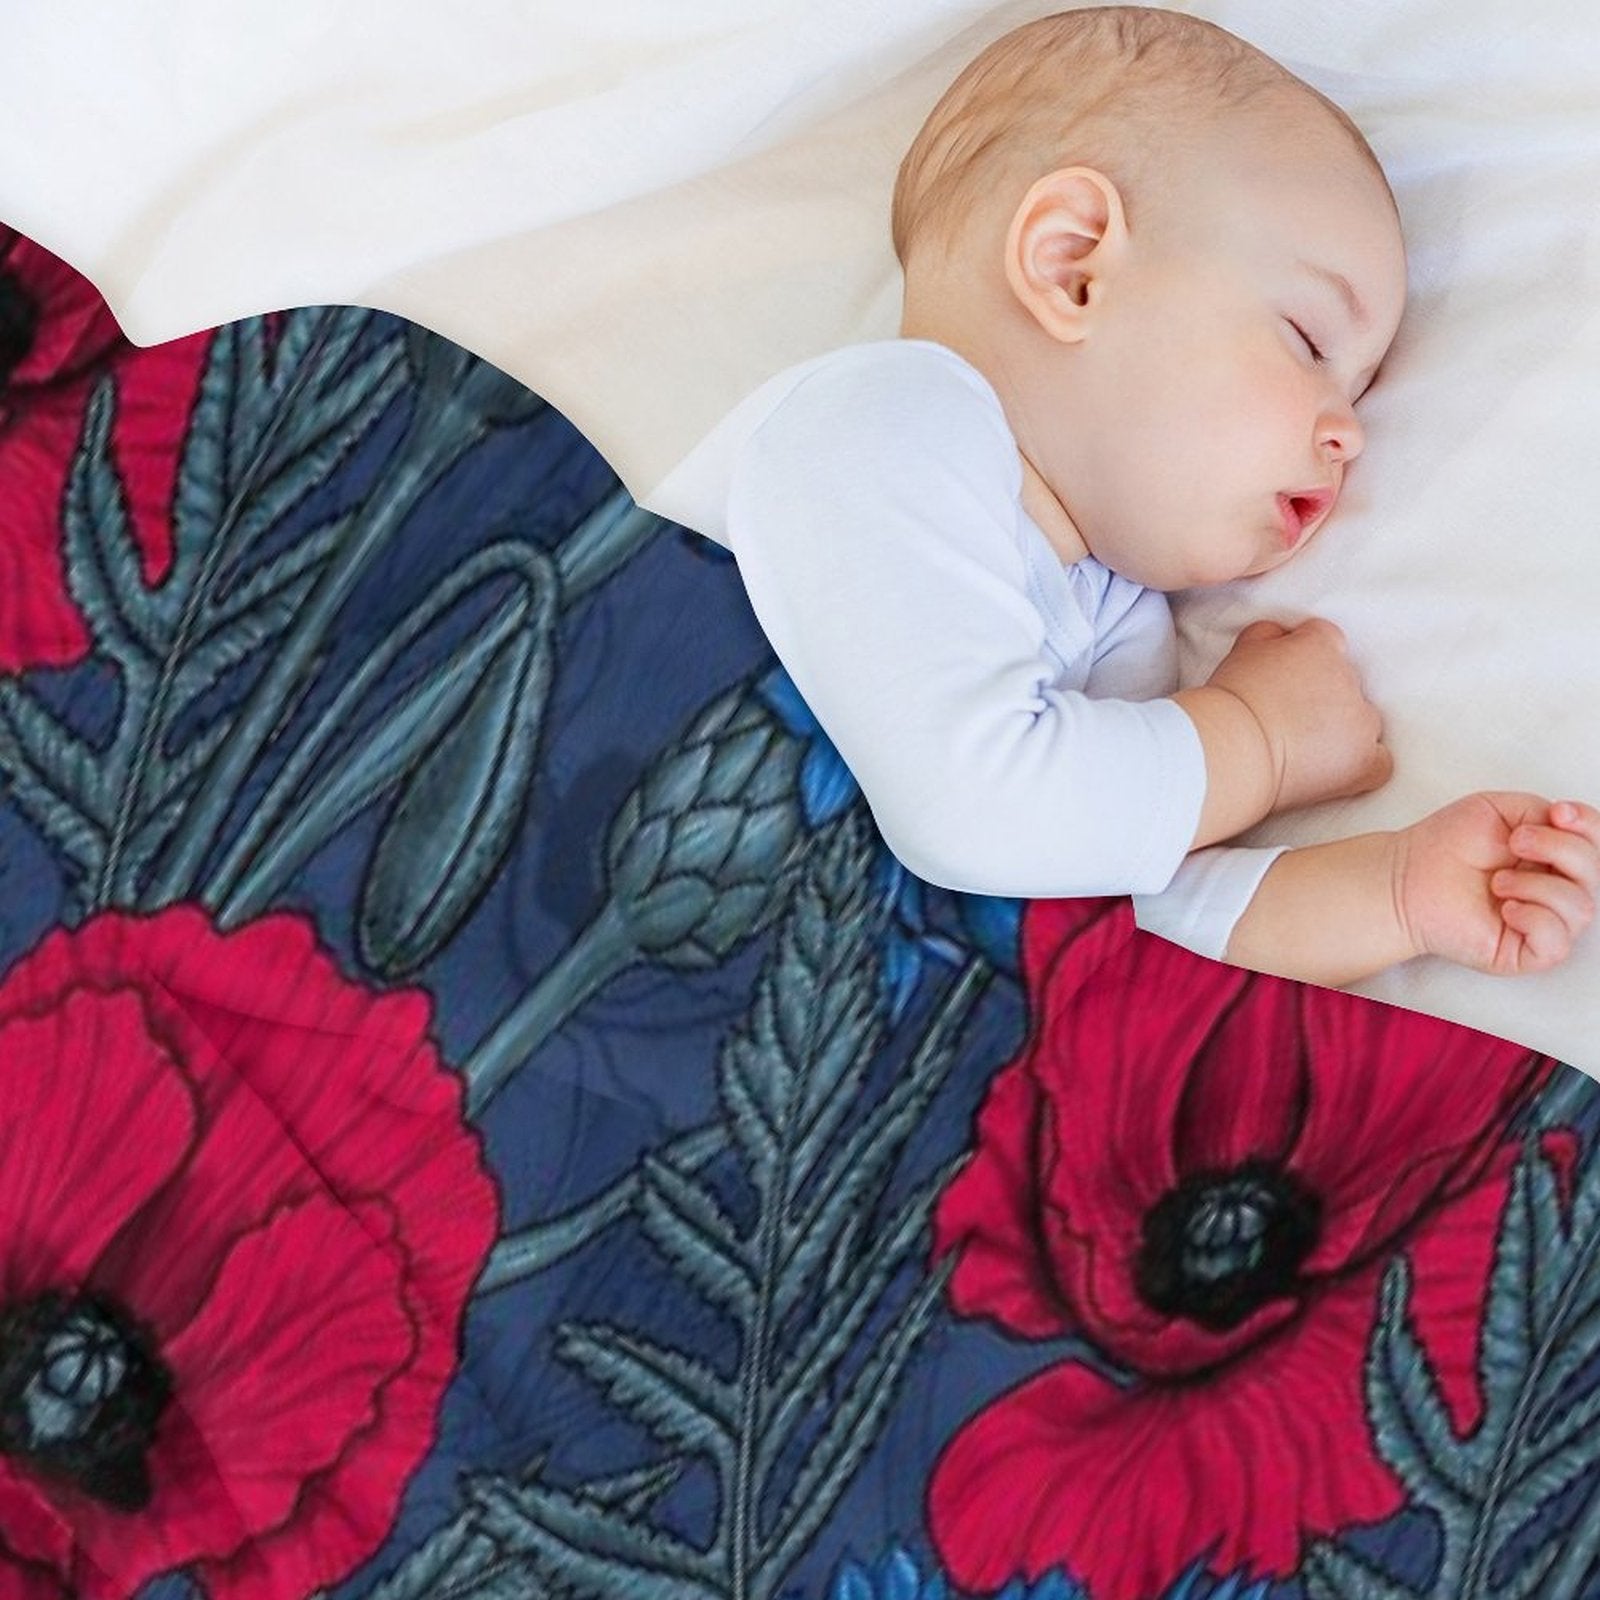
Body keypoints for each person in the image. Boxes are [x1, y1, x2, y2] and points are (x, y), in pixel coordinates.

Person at [668, 6, 1599, 989]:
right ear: (1071, 267)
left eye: (1359, 392)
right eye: (1308, 341)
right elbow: (978, 809)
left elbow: (1134, 900)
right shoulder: (879, 420)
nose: (1349, 431)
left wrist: (1398, 892)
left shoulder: (1108, 612)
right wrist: (1258, 739)